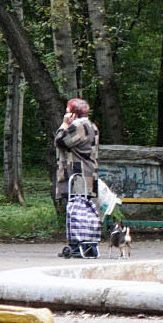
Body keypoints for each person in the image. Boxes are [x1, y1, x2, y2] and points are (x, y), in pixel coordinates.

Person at [55, 98, 101, 258]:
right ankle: (88, 244)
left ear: (73, 113)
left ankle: (76, 245)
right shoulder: (92, 126)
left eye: (68, 110)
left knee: (75, 210)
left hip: (77, 175)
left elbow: (61, 141)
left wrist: (64, 125)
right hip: (89, 174)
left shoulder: (77, 126)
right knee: (86, 210)